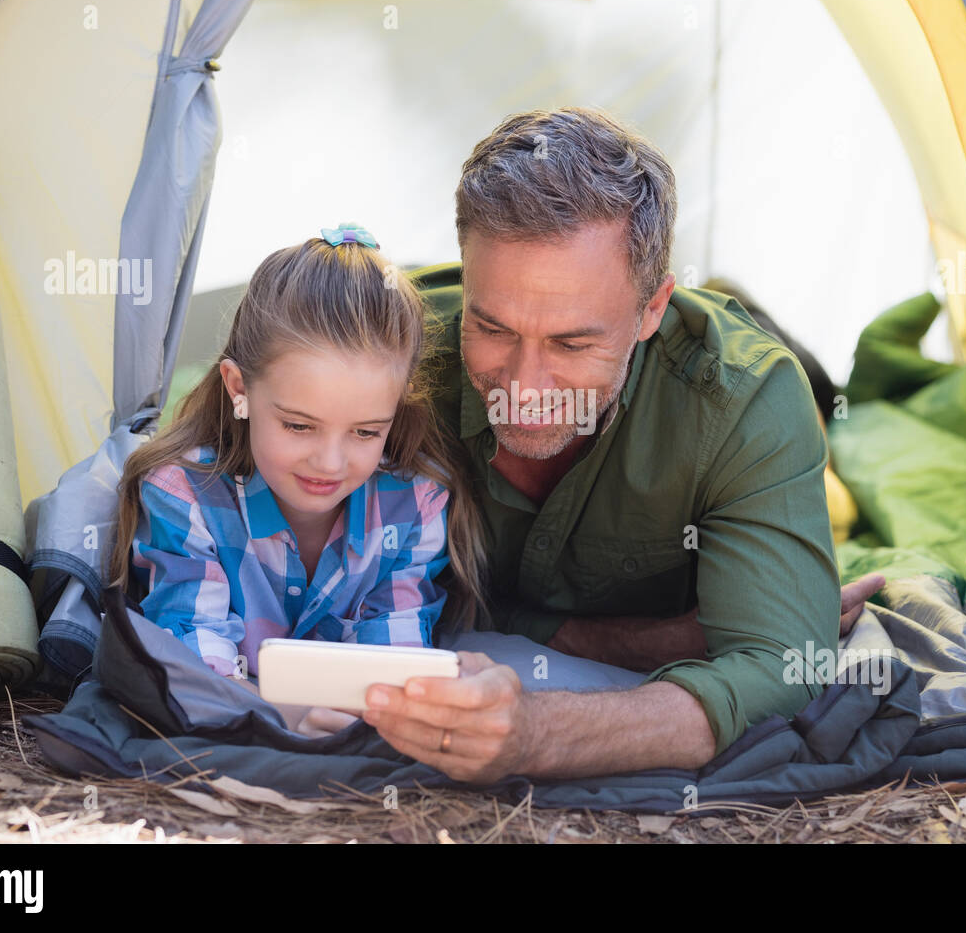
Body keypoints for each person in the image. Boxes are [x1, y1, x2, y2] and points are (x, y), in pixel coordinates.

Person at [357, 107, 886, 782]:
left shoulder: (744, 400)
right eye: (492, 328)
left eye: (573, 343)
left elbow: (782, 672)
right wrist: (664, 644)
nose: (524, 385)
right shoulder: (385, 345)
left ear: (653, 308)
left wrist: (538, 735)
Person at [105, 224, 489, 736]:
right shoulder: (185, 496)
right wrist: (287, 717)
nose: (330, 464)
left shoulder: (415, 506)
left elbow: (393, 661)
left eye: (366, 431)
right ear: (239, 388)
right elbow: (195, 669)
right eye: (299, 425)